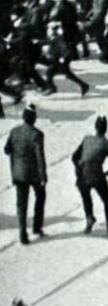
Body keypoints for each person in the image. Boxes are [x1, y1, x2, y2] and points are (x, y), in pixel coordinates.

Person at [72, 116, 108, 237]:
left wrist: (79, 170)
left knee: (86, 197)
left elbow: (74, 157)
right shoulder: (107, 144)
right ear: (105, 129)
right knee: (107, 202)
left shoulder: (86, 139)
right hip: (98, 175)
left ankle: (89, 217)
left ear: (95, 127)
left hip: (83, 175)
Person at [5, 105, 46, 245]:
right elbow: (40, 156)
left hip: (18, 173)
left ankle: (22, 232)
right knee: (40, 196)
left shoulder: (14, 131)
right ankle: (37, 226)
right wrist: (43, 176)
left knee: (21, 204)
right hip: (33, 174)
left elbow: (6, 149)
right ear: (34, 119)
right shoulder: (37, 134)